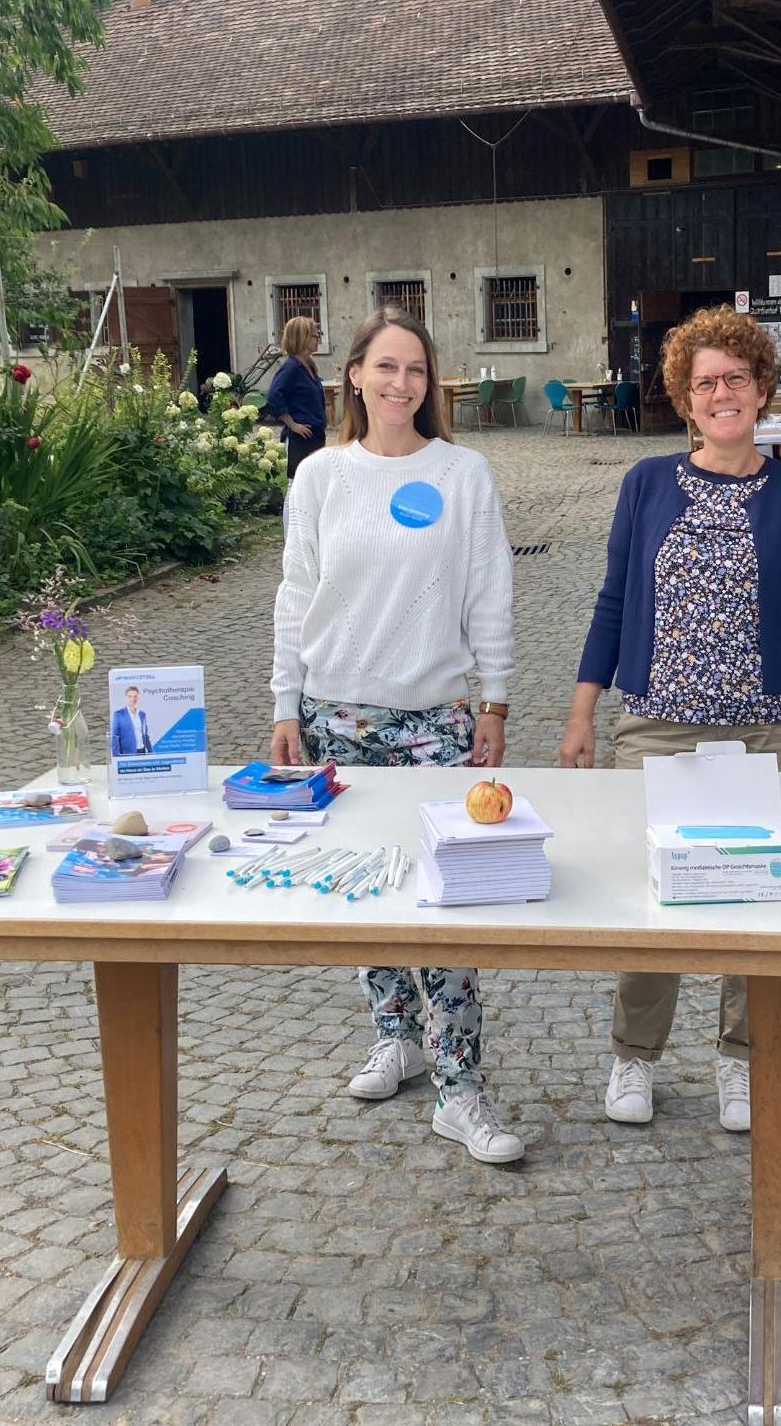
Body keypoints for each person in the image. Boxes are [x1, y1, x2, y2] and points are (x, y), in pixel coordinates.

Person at [559, 305, 781, 1132]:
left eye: (737, 379)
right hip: (661, 728)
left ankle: (741, 1062)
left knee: (762, 900)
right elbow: (614, 603)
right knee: (654, 898)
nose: (722, 394)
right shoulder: (646, 484)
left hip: (776, 728)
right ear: (686, 399)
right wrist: (583, 712)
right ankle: (633, 1058)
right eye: (704, 382)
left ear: (762, 389)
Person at [269, 306, 523, 1164]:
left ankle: (460, 1086)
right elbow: (295, 599)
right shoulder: (321, 479)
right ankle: (396, 1036)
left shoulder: (464, 475)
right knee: (368, 890)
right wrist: (282, 705)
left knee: (444, 900)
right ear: (353, 376)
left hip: (436, 724)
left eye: (415, 369)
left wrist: (494, 702)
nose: (400, 384)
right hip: (334, 717)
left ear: (430, 382)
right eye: (385, 367)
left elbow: (490, 595)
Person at [267, 314, 327, 478]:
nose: (318, 339)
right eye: (315, 335)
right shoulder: (291, 368)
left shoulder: (308, 365)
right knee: (297, 486)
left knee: (313, 485)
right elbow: (274, 396)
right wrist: (292, 424)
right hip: (300, 438)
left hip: (315, 436)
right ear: (303, 338)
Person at [110, 685, 153, 756]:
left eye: (135, 696)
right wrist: (115, 757)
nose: (133, 699)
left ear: (138, 697)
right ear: (126, 697)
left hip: (142, 751)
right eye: (130, 696)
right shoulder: (118, 714)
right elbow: (115, 737)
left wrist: (150, 752)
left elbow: (145, 734)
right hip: (127, 753)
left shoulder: (142, 714)